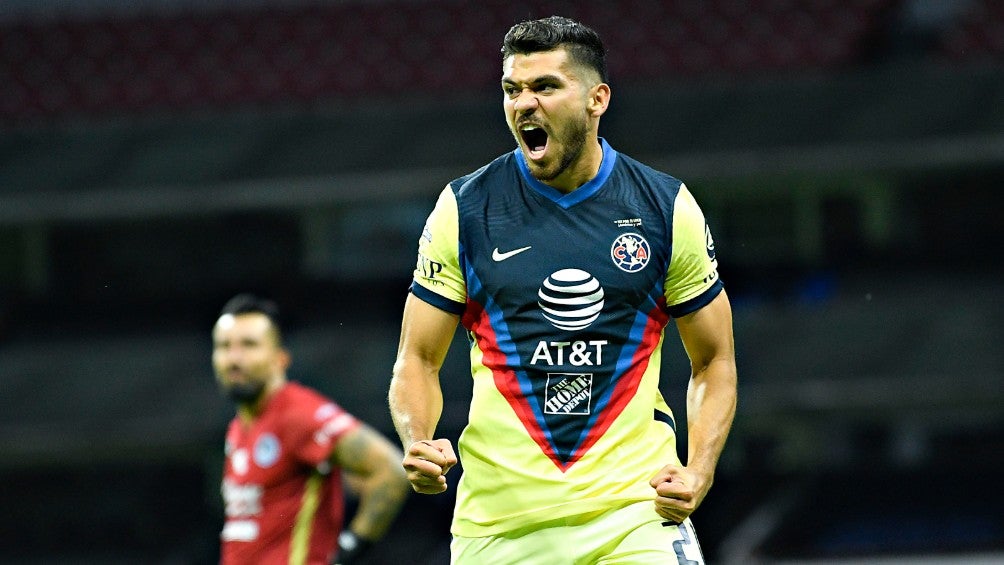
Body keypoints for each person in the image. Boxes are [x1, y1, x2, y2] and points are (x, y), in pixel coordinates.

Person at [388, 15, 737, 564]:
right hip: (499, 527)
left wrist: (700, 469)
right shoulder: (465, 208)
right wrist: (416, 437)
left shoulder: (666, 208)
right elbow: (417, 358)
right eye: (512, 90)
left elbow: (713, 360)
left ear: (597, 99)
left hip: (634, 515)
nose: (524, 103)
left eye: (546, 86)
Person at [212, 293, 410, 564]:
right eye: (224, 346)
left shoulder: (299, 413)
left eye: (248, 345)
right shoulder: (239, 426)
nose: (233, 358)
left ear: (280, 358)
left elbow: (391, 471)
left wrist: (348, 549)